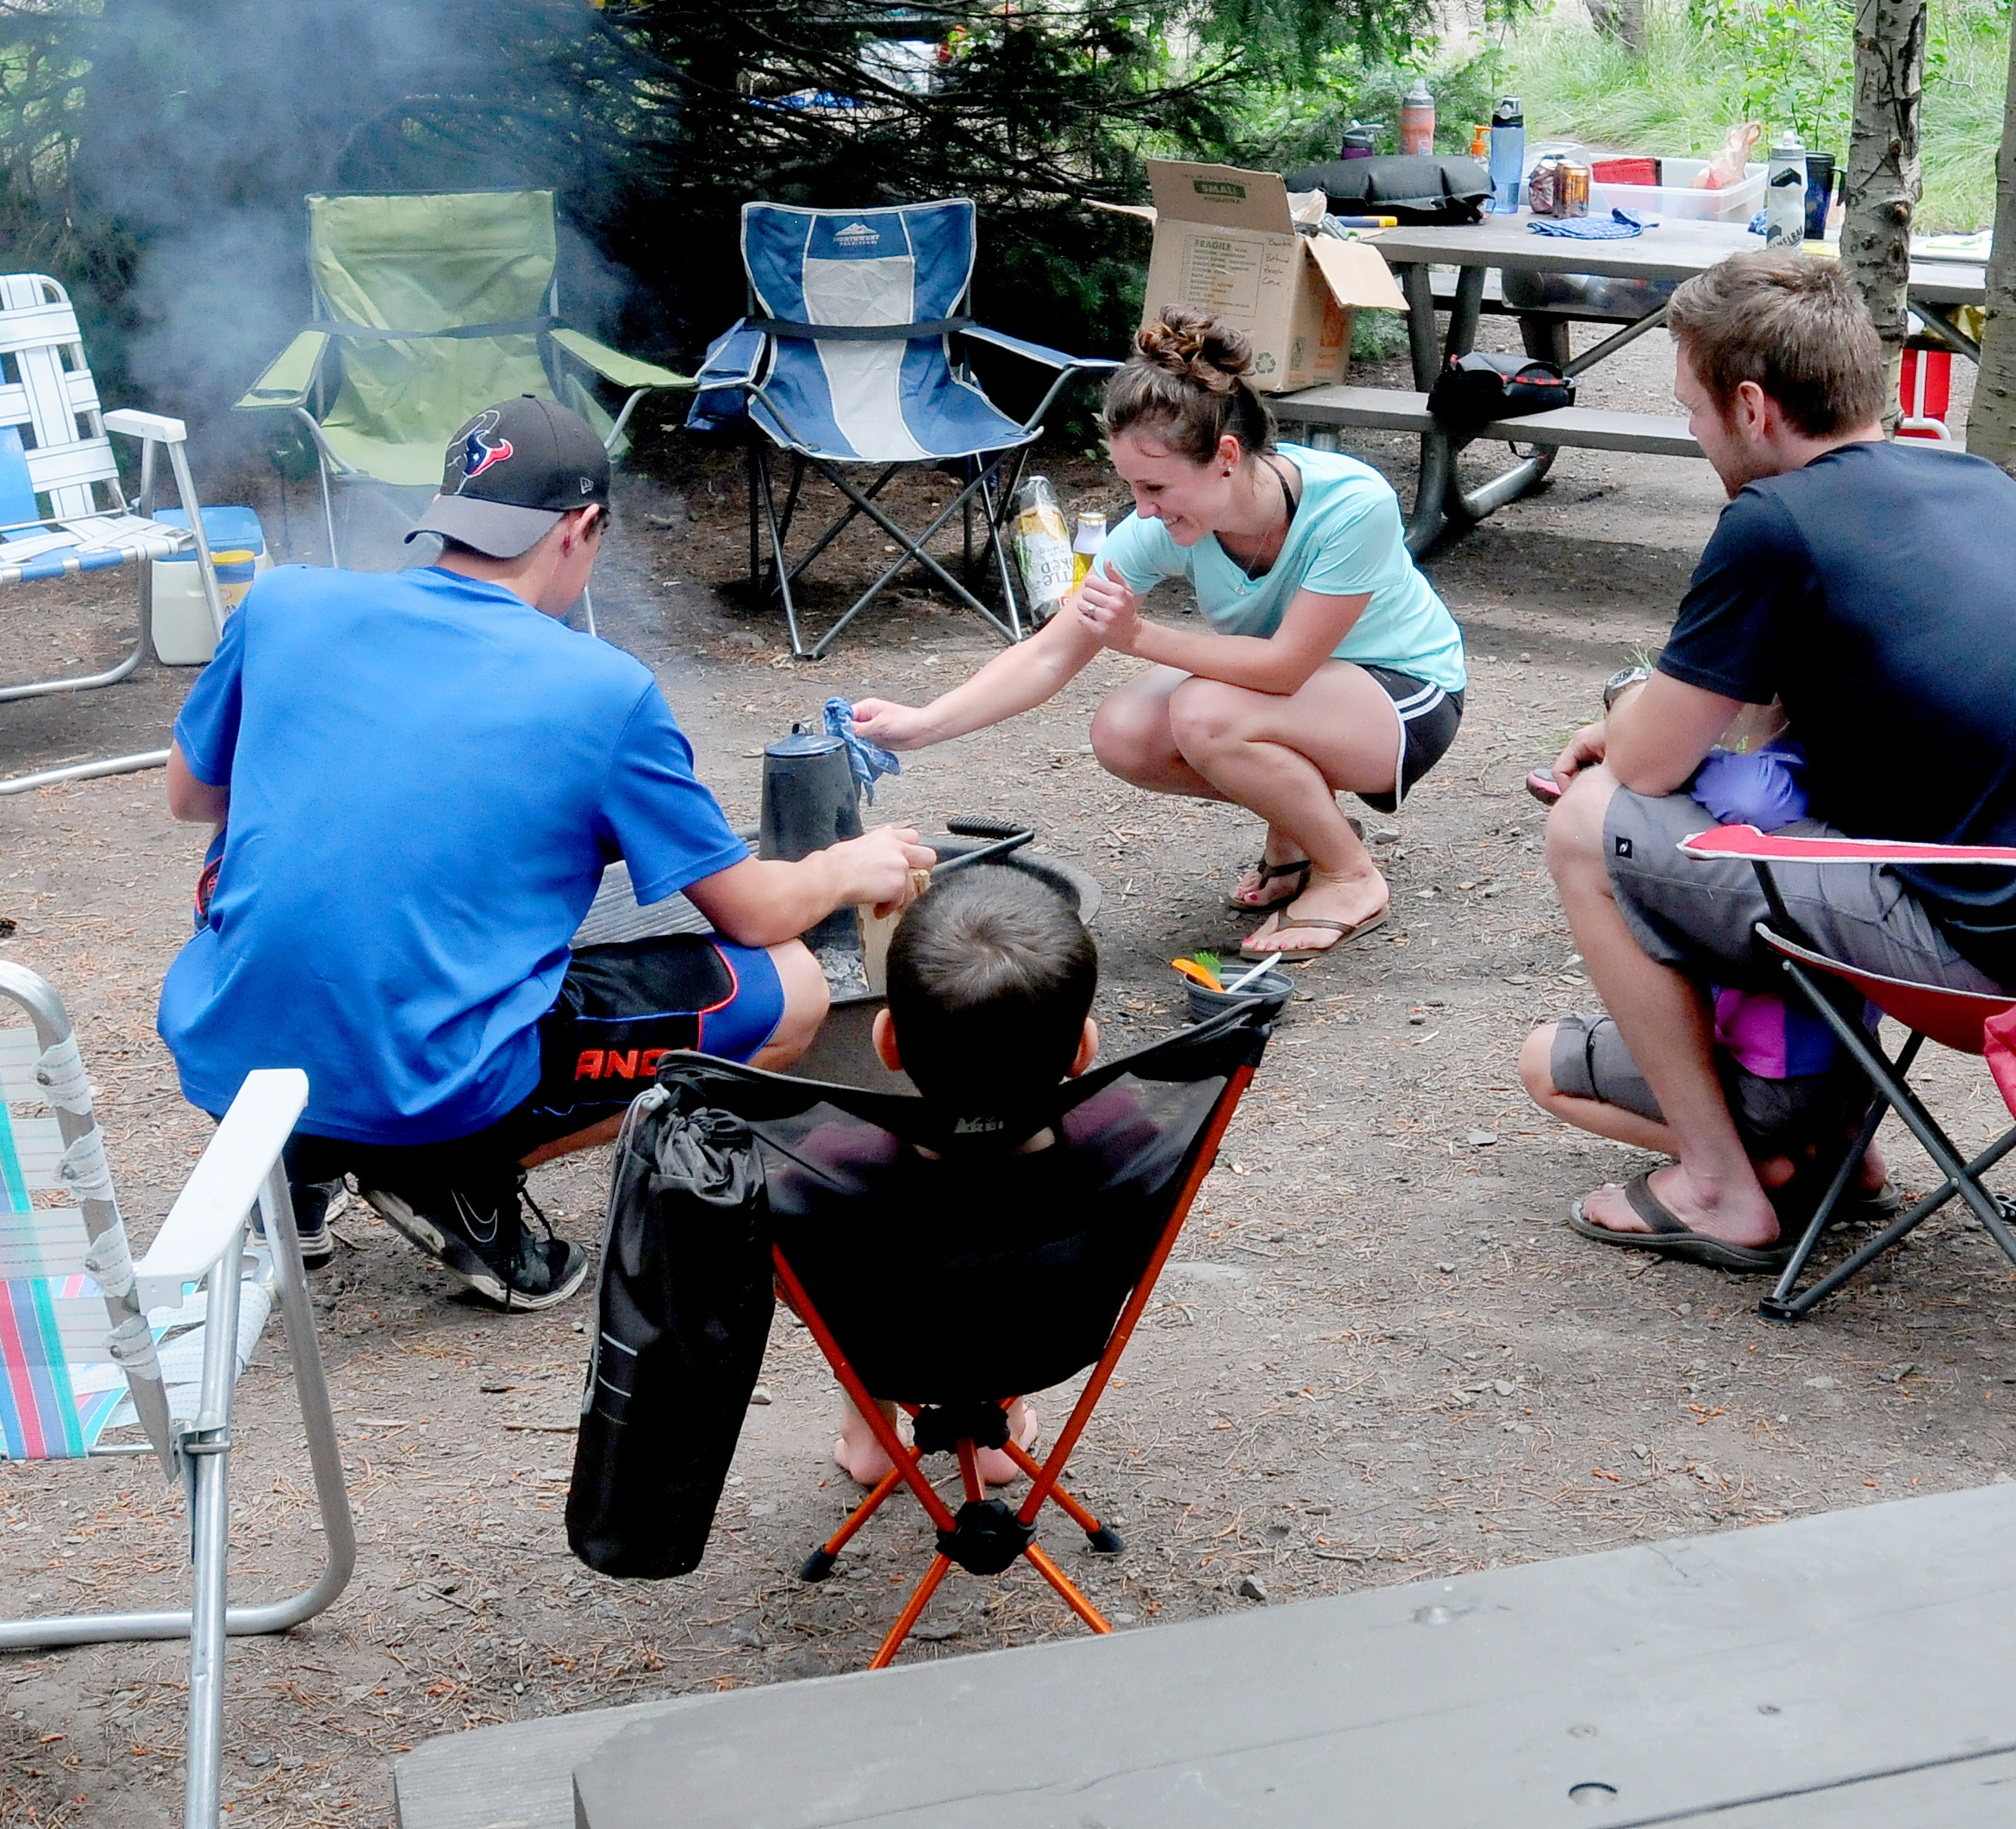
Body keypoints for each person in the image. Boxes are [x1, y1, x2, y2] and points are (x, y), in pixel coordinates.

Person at [158, 395, 933, 1312]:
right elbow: (752, 912)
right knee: (787, 987)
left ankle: (294, 1158)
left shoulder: (285, 600)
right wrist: (847, 864)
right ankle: (449, 1173)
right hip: (427, 1080)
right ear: (583, 527)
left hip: (231, 1048)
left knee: (254, 856)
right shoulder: (600, 688)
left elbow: (193, 796)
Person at [1523, 250, 2016, 1269]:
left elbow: (1640, 769)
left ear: (1751, 404)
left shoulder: (1774, 523)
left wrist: (1626, 706)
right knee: (1807, 784)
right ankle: (1837, 1145)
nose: (1692, 436)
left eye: (1691, 413)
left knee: (1586, 824)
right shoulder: (1975, 483)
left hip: (1999, 956)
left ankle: (1721, 1186)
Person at [845, 310, 1466, 960]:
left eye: (1156, 486)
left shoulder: (1350, 502)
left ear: (1226, 457)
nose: (1142, 508)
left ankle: (1348, 875)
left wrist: (1137, 636)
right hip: (1303, 700)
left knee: (1204, 710)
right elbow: (1053, 650)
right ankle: (1299, 830)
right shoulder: (1160, 524)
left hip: (1407, 700)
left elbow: (1284, 668)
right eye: (1131, 487)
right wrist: (922, 725)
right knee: (1125, 729)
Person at [804, 865, 1161, 1492]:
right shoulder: (1125, 1137)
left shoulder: (829, 1163)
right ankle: (1002, 1415)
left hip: (889, 1349)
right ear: (1084, 1048)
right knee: (1022, 1252)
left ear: (887, 1041)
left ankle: (872, 1433)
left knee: (821, 1258)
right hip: (1047, 1337)